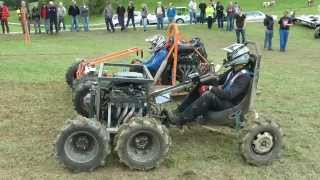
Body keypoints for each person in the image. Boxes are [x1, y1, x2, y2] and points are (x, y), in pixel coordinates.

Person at [168, 44, 252, 127]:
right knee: (201, 85)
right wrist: (203, 79)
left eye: (230, 56)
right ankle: (179, 111)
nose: (228, 57)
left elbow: (229, 95)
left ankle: (182, 119)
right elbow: (218, 80)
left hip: (231, 105)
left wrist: (210, 88)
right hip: (224, 99)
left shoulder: (244, 76)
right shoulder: (233, 71)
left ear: (239, 57)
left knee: (208, 96)